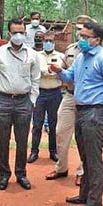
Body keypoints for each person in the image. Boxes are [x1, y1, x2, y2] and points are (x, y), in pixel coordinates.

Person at [49, 22, 103, 206]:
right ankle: (85, 195)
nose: (81, 40)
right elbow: (69, 77)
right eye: (80, 36)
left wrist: (101, 101)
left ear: (96, 40)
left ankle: (95, 202)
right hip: (80, 111)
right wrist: (58, 71)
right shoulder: (81, 57)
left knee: (94, 158)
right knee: (85, 156)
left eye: (85, 37)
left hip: (95, 112)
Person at [0, 18, 40, 190]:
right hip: (2, 101)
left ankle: (21, 174)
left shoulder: (32, 54)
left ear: (25, 33)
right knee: (3, 140)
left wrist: (32, 100)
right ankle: (4, 175)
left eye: (21, 32)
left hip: (24, 101)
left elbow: (35, 80)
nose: (18, 35)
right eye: (15, 32)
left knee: (22, 140)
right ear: (9, 33)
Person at [45, 15, 94, 186]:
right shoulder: (71, 49)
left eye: (84, 29)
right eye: (78, 28)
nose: (80, 32)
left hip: (88, 101)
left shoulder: (97, 51)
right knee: (61, 132)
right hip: (70, 95)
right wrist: (58, 71)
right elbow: (66, 70)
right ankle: (61, 167)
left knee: (84, 137)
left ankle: (82, 171)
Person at [28, 31, 65, 164]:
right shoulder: (36, 56)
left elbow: (61, 72)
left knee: (54, 124)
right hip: (40, 93)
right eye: (46, 40)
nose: (48, 43)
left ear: (54, 42)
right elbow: (36, 72)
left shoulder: (61, 56)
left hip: (55, 93)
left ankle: (53, 151)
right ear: (42, 42)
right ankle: (34, 151)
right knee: (37, 124)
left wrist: (48, 71)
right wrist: (50, 71)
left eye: (51, 40)